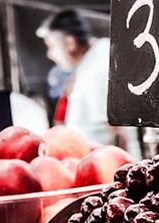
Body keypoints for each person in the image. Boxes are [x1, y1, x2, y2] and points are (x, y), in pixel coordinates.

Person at [37, 9, 114, 148]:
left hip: (105, 163)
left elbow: (115, 129)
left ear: (70, 43)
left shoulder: (97, 70)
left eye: (51, 47)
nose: (50, 54)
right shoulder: (93, 60)